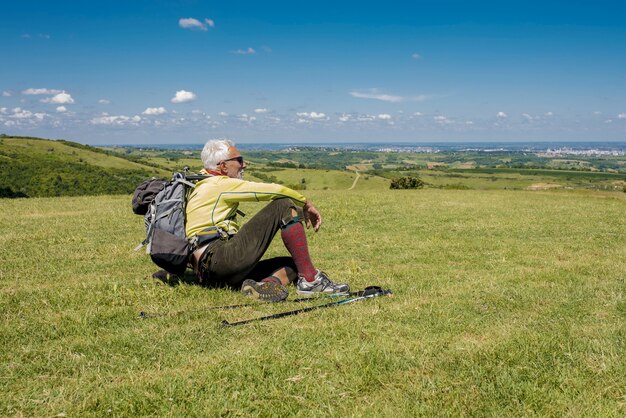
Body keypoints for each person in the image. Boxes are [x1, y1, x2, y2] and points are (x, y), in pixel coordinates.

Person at [185, 138, 349, 302]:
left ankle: (265, 285)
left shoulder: (200, 182)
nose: (244, 165)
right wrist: (305, 203)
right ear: (223, 166)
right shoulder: (219, 184)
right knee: (283, 205)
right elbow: (274, 191)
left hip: (206, 273)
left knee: (293, 264)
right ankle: (311, 281)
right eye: (239, 160)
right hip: (220, 259)